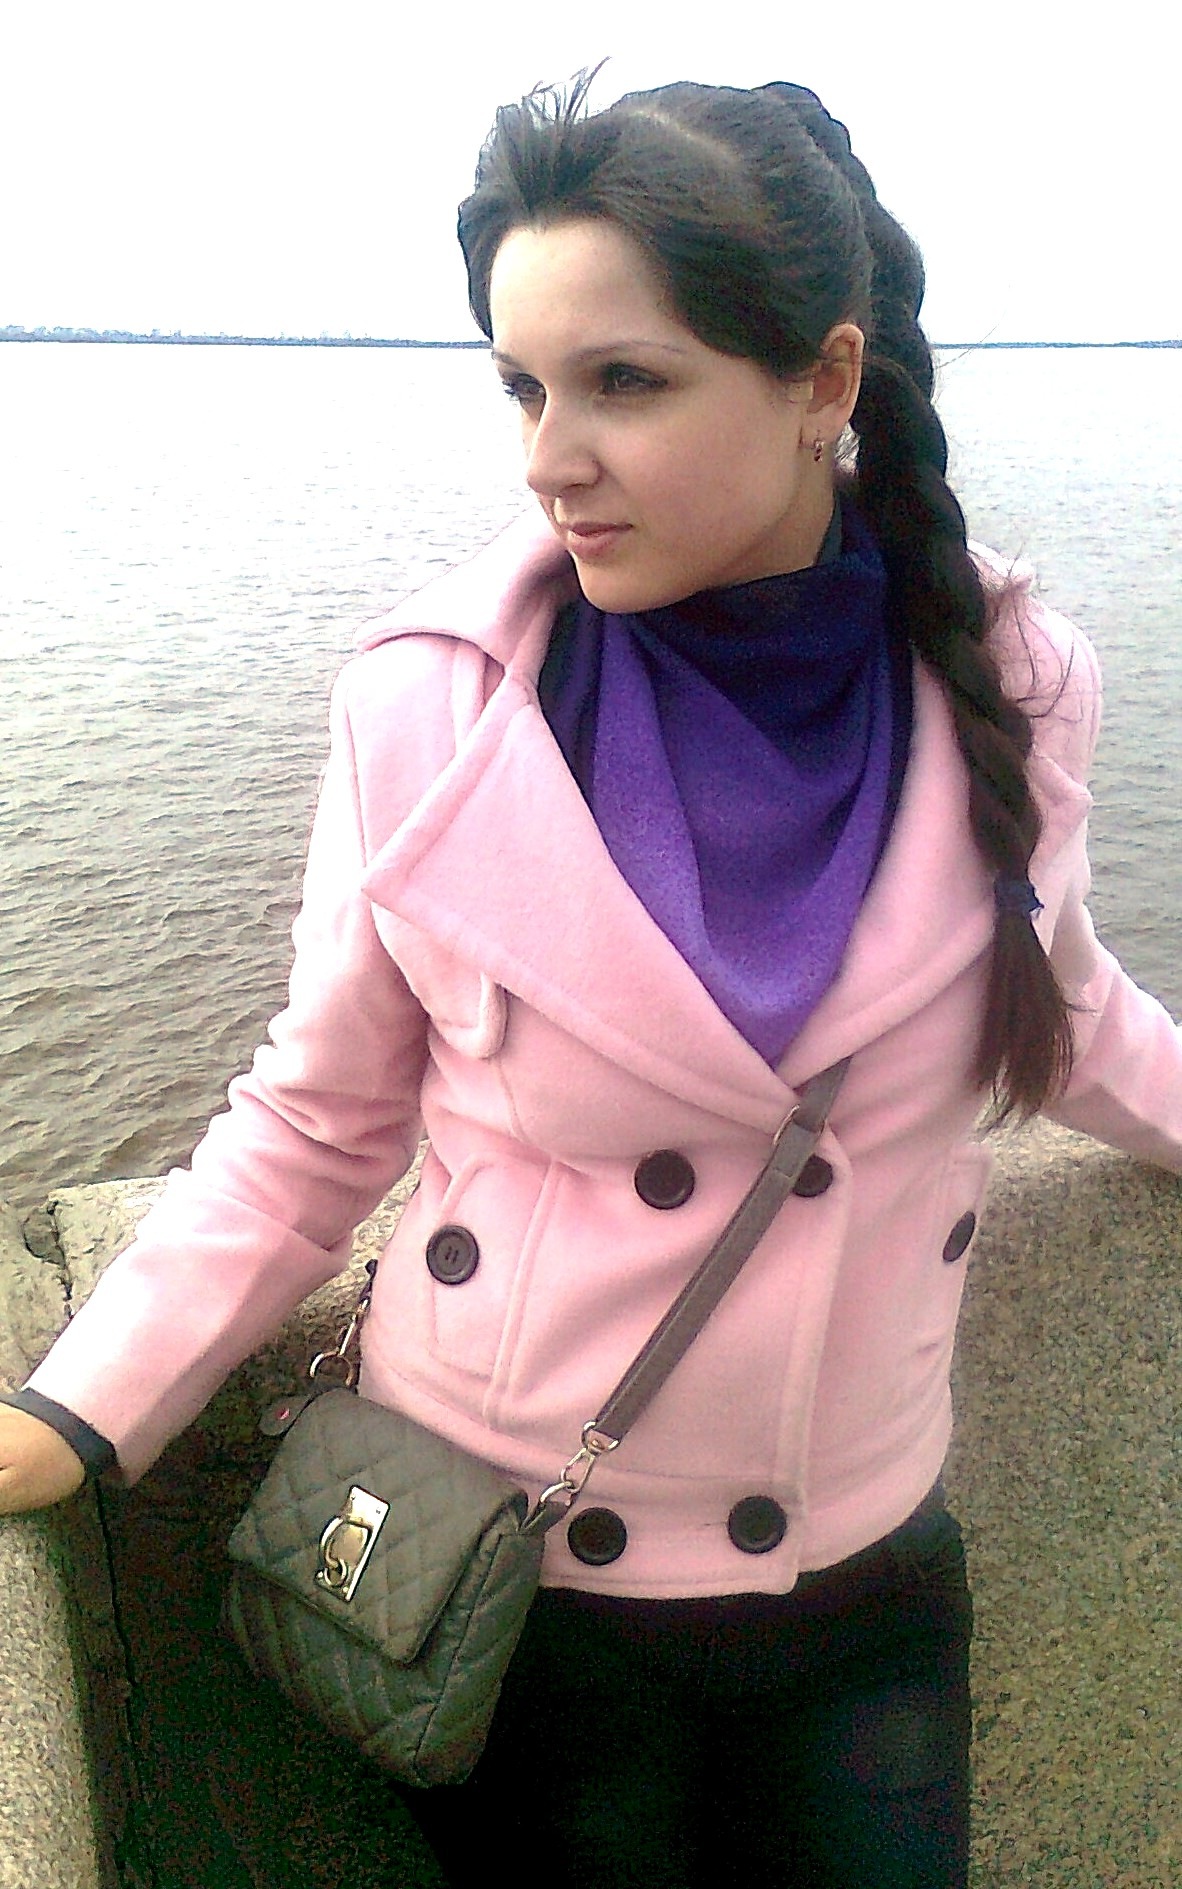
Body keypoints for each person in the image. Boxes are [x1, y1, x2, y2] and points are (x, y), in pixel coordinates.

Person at [3, 73, 1181, 1889]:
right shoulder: (431, 707)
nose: (547, 458)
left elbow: (1066, 1001)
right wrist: (79, 1405)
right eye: (522, 387)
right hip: (521, 1585)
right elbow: (314, 1120)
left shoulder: (1006, 678)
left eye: (623, 381)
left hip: (869, 1563)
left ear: (823, 381)